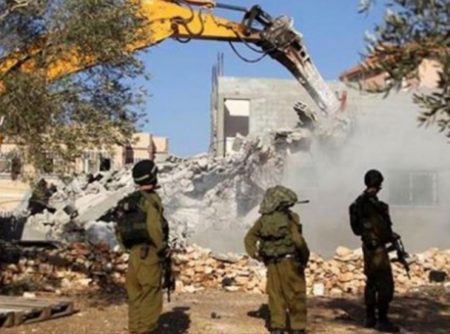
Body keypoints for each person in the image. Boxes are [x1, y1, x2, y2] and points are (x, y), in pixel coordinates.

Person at [244, 185, 310, 334]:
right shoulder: (291, 218)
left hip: (272, 263)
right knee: (296, 293)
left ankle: (277, 326)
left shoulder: (263, 220)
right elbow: (298, 240)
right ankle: (297, 327)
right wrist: (305, 258)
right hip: (290, 263)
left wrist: (255, 254)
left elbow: (249, 238)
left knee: (275, 295)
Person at [115, 159, 169, 334]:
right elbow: (154, 227)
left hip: (134, 254)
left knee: (135, 297)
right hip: (149, 253)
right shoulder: (151, 200)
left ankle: (135, 330)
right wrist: (162, 248)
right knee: (150, 296)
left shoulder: (130, 201)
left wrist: (127, 249)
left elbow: (119, 228)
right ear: (153, 176)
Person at [349, 169, 400, 333]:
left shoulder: (357, 203)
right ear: (378, 185)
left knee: (371, 282)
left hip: (367, 248)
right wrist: (390, 236)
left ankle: (370, 317)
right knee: (386, 285)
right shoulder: (374, 205)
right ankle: (382, 319)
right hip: (378, 250)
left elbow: (357, 230)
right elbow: (382, 229)